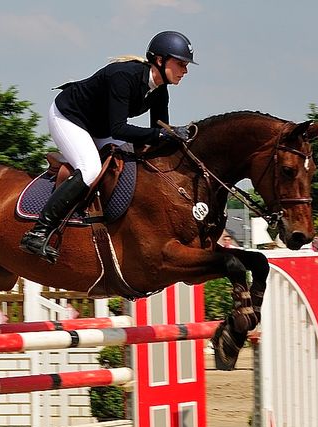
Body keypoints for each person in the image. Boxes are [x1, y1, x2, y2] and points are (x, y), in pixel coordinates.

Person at [19, 30, 196, 262]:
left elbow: (156, 134)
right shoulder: (123, 76)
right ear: (160, 60)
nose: (185, 70)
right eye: (181, 63)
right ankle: (39, 232)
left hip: (99, 127)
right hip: (69, 117)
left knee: (131, 160)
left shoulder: (160, 91)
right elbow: (120, 129)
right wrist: (163, 134)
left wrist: (174, 136)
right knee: (90, 169)